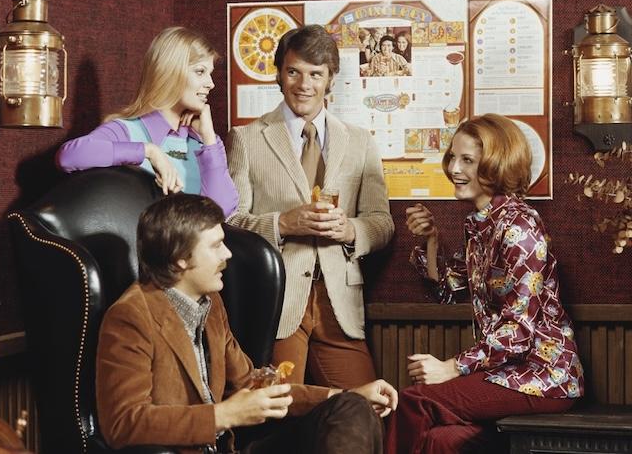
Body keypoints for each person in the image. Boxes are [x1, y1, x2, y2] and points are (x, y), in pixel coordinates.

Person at [95, 193, 397, 454]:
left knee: (351, 408)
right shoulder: (130, 317)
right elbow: (122, 423)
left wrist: (344, 394)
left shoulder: (211, 303)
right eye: (216, 246)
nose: (227, 254)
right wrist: (224, 415)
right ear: (179, 259)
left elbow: (250, 383)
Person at [385, 114, 584, 453]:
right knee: (439, 441)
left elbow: (518, 332)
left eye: (468, 160)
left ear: (496, 164)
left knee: (416, 401)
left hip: (543, 377)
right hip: (502, 374)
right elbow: (447, 290)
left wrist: (451, 368)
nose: (454, 169)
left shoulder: (519, 227)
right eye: (453, 157)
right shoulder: (480, 225)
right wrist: (431, 240)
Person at [226, 25, 394, 390]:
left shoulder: (361, 142)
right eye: (293, 72)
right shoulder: (246, 139)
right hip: (276, 298)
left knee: (366, 409)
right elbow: (230, 226)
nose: (304, 85)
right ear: (278, 74)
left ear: (331, 79)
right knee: (279, 408)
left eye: (316, 74)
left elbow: (382, 223)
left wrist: (350, 230)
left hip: (340, 304)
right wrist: (282, 224)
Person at [56, 26, 238, 217]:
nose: (211, 84)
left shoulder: (205, 143)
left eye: (210, 73)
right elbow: (68, 157)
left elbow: (221, 212)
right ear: (170, 72)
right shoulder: (127, 130)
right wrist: (149, 151)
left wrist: (208, 137)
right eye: (200, 72)